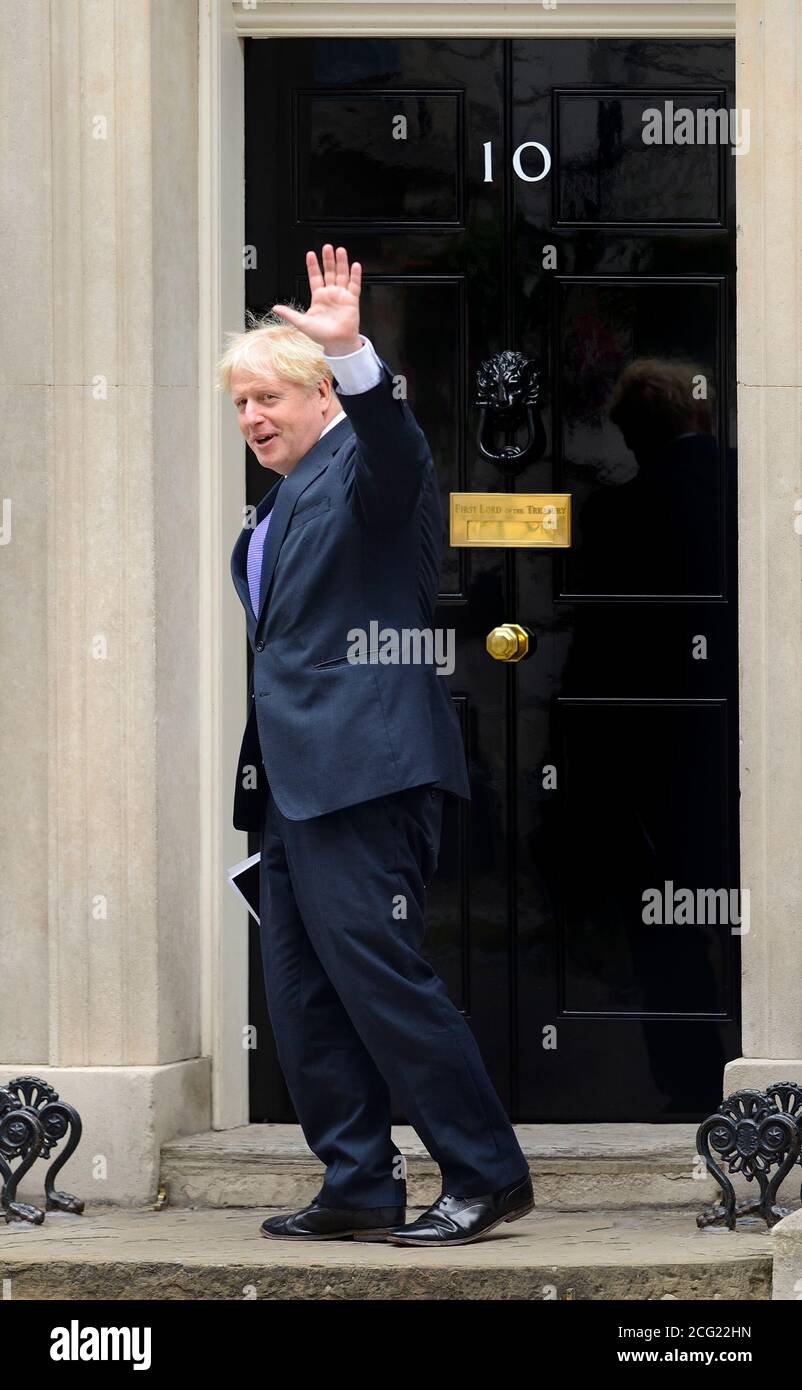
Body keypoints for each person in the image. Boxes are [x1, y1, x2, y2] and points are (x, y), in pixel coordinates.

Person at [219, 244, 533, 1247]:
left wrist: (356, 355)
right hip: (293, 789)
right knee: (301, 997)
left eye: (269, 396)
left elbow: (392, 445)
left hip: (367, 771)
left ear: (323, 398)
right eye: (240, 404)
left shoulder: (370, 467)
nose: (253, 418)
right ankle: (357, 1178)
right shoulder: (272, 508)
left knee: (383, 979)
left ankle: (485, 1172)